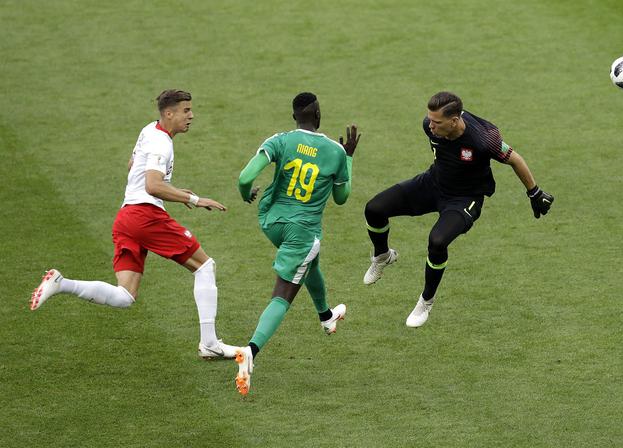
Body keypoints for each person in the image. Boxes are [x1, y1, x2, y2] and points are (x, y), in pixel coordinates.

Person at [30, 89, 238, 359]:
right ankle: (209, 343)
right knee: (205, 267)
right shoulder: (163, 143)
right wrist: (194, 199)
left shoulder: (148, 130)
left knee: (124, 296)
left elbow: (133, 166)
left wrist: (170, 189)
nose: (191, 116)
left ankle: (61, 283)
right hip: (145, 216)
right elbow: (152, 185)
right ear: (169, 113)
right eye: (186, 111)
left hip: (126, 217)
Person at [363, 91, 553, 327]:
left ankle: (426, 300)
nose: (430, 126)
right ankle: (382, 256)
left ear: (454, 121)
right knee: (374, 209)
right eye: (430, 119)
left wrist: (534, 192)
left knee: (438, 241)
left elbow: (515, 159)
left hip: (465, 199)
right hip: (433, 184)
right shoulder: (428, 126)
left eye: (437, 122)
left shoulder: (484, 141)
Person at [233, 92, 360, 396]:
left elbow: (244, 177)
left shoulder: (281, 140)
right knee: (283, 294)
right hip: (302, 231)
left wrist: (246, 195)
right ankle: (250, 351)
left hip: (271, 221)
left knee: (309, 262)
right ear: (318, 115)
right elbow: (342, 199)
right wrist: (350, 157)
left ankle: (326, 316)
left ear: (295, 117)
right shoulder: (335, 151)